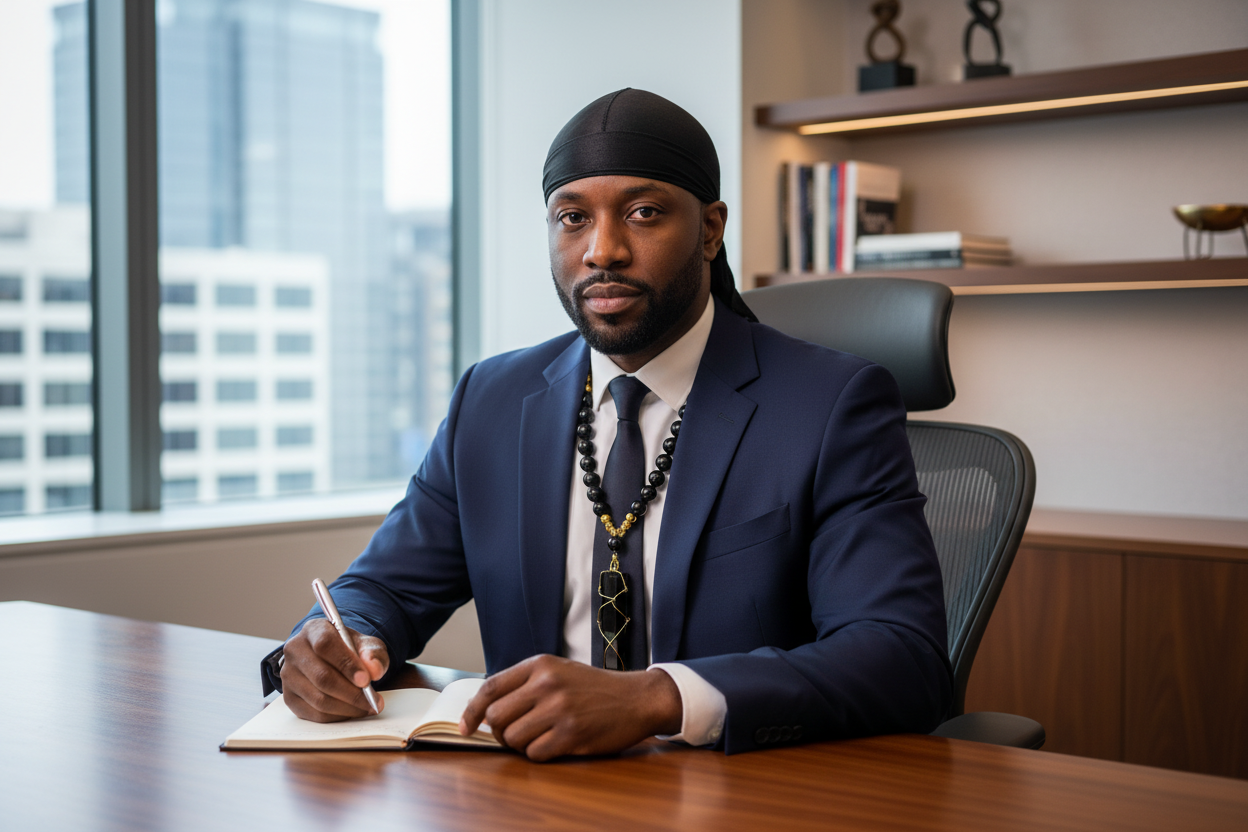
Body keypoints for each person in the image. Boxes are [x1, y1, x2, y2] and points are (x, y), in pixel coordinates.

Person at [263, 89, 952, 759]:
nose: (602, 250)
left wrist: (658, 698)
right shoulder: (492, 400)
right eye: (572, 218)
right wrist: (343, 636)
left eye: (645, 213)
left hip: (736, 798)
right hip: (530, 800)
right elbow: (383, 587)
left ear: (710, 230)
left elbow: (899, 655)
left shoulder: (832, 405)